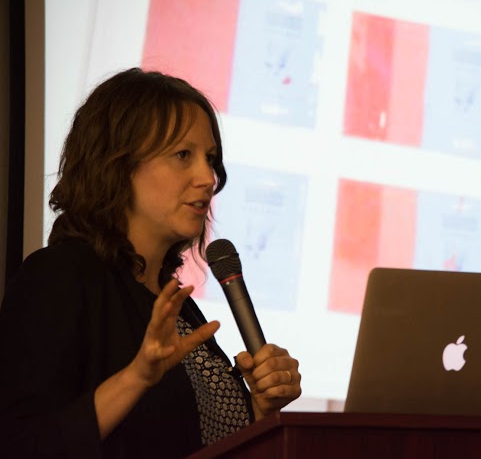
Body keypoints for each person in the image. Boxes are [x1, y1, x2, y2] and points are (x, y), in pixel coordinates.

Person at [0, 68, 302, 458]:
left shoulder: (174, 301)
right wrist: (136, 378)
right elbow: (19, 444)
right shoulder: (58, 278)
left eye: (210, 158)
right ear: (117, 165)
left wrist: (259, 410)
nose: (207, 177)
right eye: (182, 155)